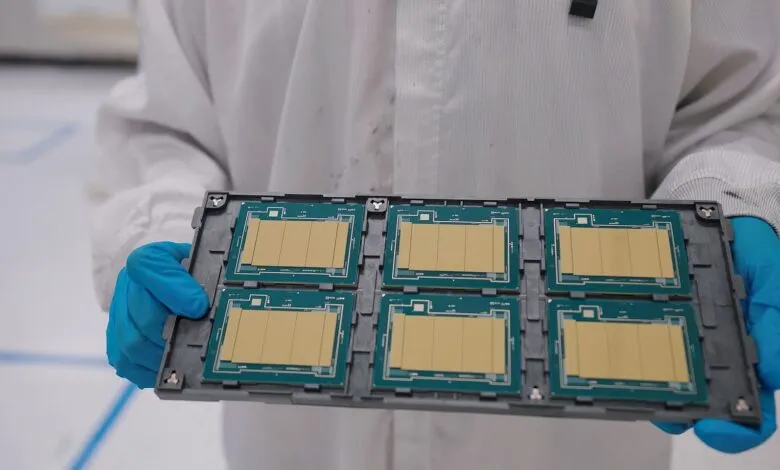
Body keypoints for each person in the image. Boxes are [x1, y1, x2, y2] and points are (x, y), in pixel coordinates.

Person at [89, 1, 780, 469]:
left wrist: (732, 201)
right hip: (295, 437)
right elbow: (169, 121)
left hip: (576, 441)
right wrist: (164, 228)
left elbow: (742, 102)